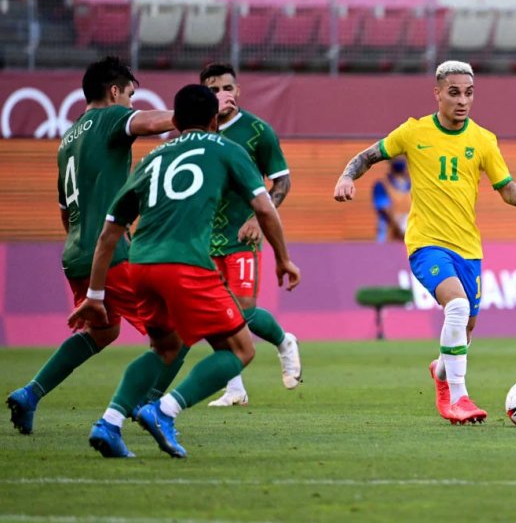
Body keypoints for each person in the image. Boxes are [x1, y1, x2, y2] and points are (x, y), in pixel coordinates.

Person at [68, 84, 301, 458]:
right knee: (240, 349)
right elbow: (264, 207)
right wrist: (283, 258)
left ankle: (109, 423)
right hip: (186, 263)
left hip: (140, 265)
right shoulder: (227, 149)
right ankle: (164, 410)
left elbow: (109, 233)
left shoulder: (151, 159)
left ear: (174, 122)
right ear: (214, 121)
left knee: (165, 347)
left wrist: (95, 295)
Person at [334, 60, 516, 425]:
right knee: (457, 306)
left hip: (468, 248)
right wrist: (346, 176)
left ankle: (440, 371)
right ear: (437, 93)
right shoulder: (413, 132)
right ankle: (459, 398)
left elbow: (507, 190)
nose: (462, 101)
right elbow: (368, 156)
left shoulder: (483, 140)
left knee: (465, 332)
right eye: (454, 93)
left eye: (469, 93)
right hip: (427, 243)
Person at [5, 56, 174, 435]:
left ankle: (30, 394)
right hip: (111, 254)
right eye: (129, 95)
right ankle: (146, 409)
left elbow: (65, 212)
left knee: (103, 331)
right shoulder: (111, 118)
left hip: (76, 255)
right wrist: (197, 116)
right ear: (114, 92)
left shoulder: (67, 140)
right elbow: (151, 122)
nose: (131, 103)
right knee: (173, 334)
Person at [201, 62, 301, 406]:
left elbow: (282, 181)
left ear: (238, 90)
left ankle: (284, 341)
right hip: (203, 237)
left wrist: (259, 219)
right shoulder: (195, 132)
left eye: (227, 88)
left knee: (241, 310)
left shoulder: (258, 131)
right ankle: (234, 388)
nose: (222, 95)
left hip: (242, 234)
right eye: (213, 90)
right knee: (213, 314)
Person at [372, 157, 411, 243]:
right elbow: (384, 208)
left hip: (409, 232)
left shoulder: (412, 184)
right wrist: (399, 229)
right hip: (388, 232)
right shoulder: (382, 184)